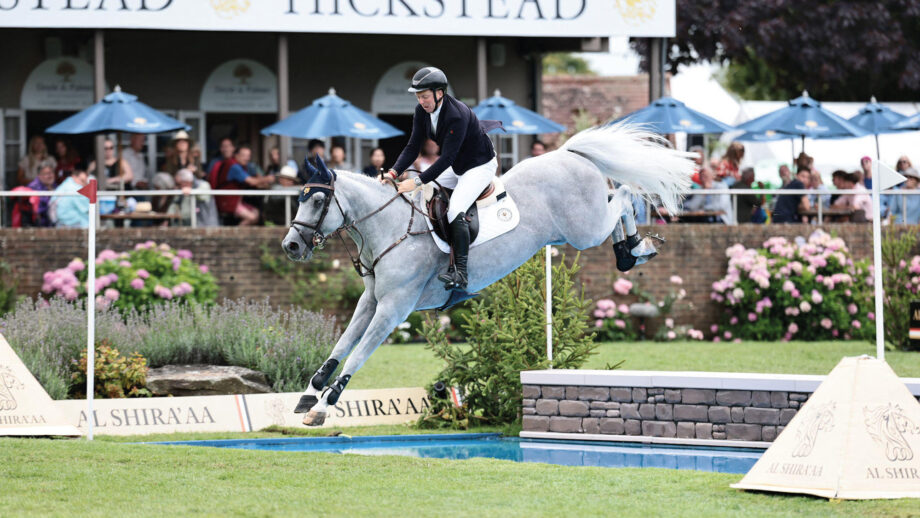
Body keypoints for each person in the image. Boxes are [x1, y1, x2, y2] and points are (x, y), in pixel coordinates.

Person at [381, 66, 497, 291]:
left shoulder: (457, 115)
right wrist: (394, 172)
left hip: (478, 166)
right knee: (423, 196)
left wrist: (415, 181)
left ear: (439, 93)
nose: (421, 101)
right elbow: (413, 146)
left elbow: (446, 159)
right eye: (418, 96)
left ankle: (461, 273)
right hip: (458, 164)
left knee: (454, 210)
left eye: (424, 96)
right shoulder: (421, 112)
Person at [210, 145, 274, 225]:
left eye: (248, 156)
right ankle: (237, 236)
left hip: (234, 201)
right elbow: (251, 181)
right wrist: (267, 179)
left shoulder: (241, 166)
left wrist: (261, 181)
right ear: (236, 155)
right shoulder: (234, 167)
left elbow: (252, 181)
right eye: (244, 155)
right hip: (227, 202)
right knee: (252, 217)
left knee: (256, 213)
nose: (247, 158)